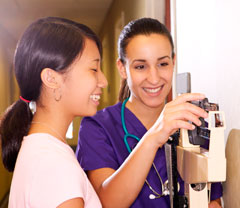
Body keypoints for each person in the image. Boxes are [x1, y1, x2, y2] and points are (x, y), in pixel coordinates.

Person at [76, 17, 222, 208]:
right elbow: (107, 203)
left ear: (173, 62)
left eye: (163, 64)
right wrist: (154, 137)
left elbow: (212, 199)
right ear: (122, 68)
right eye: (140, 66)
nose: (154, 78)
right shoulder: (98, 126)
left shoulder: (191, 120)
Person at [0, 16, 107, 208]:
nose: (103, 81)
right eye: (93, 69)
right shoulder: (53, 166)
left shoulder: (43, 151)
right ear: (51, 78)